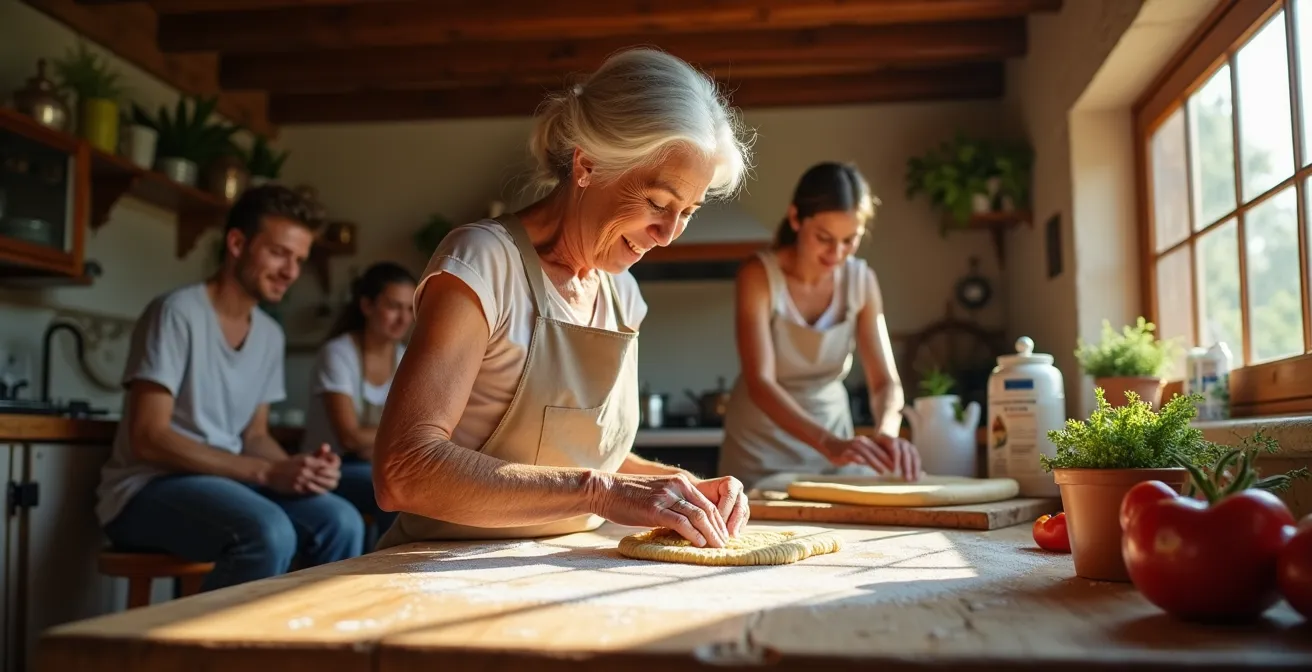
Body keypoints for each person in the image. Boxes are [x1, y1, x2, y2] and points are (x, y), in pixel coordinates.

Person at [371, 48, 753, 550]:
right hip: (438, 571)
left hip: (559, 569)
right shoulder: (484, 263)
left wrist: (684, 490)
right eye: (659, 204)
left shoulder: (623, 295)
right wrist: (599, 492)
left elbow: (590, 462)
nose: (667, 235)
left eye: (689, 212)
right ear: (588, 165)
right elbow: (403, 470)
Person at [96, 185, 365, 590]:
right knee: (268, 532)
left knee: (340, 519)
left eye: (299, 260)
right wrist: (266, 471)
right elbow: (148, 438)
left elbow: (254, 436)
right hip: (146, 488)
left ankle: (308, 646)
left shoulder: (270, 335)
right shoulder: (176, 314)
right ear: (237, 243)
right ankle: (222, 652)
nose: (291, 272)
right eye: (279, 253)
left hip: (227, 480)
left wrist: (299, 471)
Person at [717, 162, 922, 490]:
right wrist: (828, 443)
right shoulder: (758, 275)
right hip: (761, 448)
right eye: (824, 238)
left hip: (836, 448)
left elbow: (885, 382)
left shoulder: (861, 281)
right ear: (796, 218)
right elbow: (760, 382)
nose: (837, 253)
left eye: (850, 240)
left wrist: (886, 434)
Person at [300, 261, 416, 545]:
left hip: (378, 462)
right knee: (395, 488)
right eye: (393, 307)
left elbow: (417, 431)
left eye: (410, 308)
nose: (403, 318)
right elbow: (349, 437)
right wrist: (398, 437)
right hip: (330, 467)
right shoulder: (338, 354)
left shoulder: (406, 359)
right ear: (367, 306)